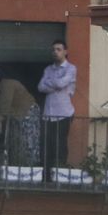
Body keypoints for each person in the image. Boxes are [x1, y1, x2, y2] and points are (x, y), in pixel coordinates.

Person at [39, 39, 77, 177]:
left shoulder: (71, 68)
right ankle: (47, 175)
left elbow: (61, 84)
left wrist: (51, 81)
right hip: (48, 113)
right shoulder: (48, 69)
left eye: (59, 49)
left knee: (60, 144)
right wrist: (55, 83)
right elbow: (41, 87)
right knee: (47, 145)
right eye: (54, 49)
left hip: (64, 113)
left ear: (65, 52)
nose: (55, 52)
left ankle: (60, 172)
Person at [0, 74, 42, 170]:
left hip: (28, 114)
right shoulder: (7, 83)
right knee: (18, 142)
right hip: (19, 115)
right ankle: (19, 168)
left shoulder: (6, 84)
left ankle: (29, 169)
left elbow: (4, 108)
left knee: (28, 142)